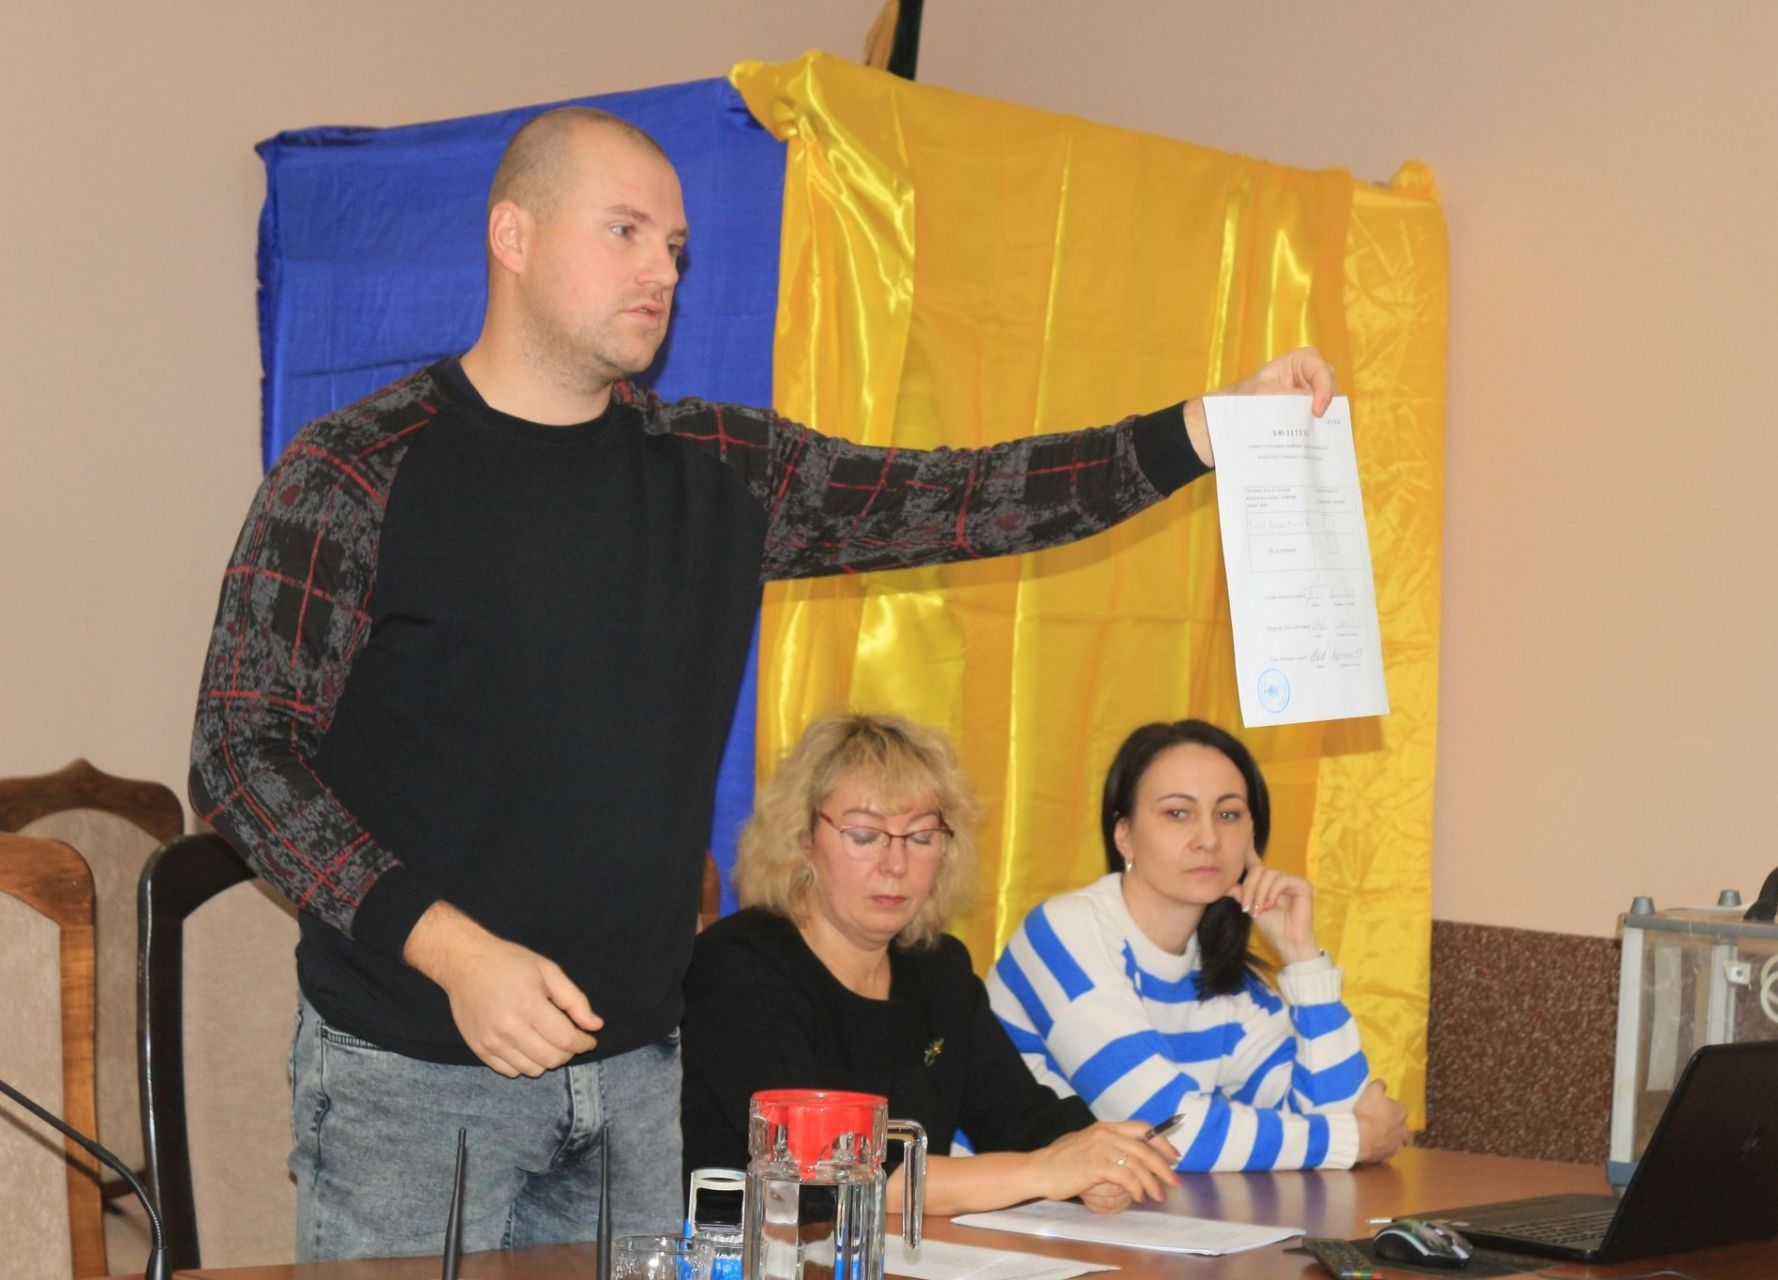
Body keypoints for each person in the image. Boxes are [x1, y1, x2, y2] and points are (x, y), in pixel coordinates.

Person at [187, 105, 1336, 1261]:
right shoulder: (355, 471)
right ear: (513, 235)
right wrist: (451, 949)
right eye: (626, 232)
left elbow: (965, 496)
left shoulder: (720, 471)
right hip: (410, 1072)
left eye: (676, 248)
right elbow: (239, 754)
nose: (662, 271)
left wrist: (1198, 432)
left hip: (633, 1077)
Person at [680, 713, 1179, 1215]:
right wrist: (1045, 1170)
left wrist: (1096, 1160)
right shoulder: (736, 967)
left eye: (921, 837)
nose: (896, 865)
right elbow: (827, 1176)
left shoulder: (938, 970)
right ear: (802, 838)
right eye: (865, 836)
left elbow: (1021, 1119)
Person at [987, 720, 1409, 1171]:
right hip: (992, 1206)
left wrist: (1302, 957)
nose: (1208, 839)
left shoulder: (1232, 985)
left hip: (1126, 1208)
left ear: (1251, 836)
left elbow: (1338, 1112)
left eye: (1228, 815)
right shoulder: (1064, 932)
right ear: (1124, 834)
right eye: (1177, 813)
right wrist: (1353, 1139)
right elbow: (1162, 1131)